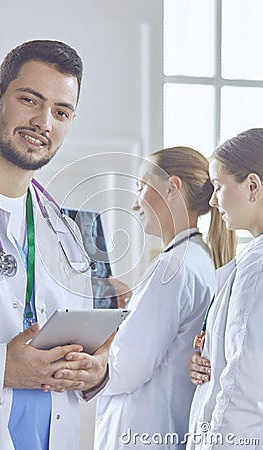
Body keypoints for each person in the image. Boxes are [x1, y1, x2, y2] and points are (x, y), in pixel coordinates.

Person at [0, 40, 111, 450]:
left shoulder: (63, 230)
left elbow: (84, 345)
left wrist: (96, 369)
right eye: (30, 99)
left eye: (61, 112)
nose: (43, 122)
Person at [94, 147, 236, 450]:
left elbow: (127, 369)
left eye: (141, 187)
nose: (135, 203)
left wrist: (91, 345)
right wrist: (133, 302)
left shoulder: (169, 269)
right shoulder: (197, 259)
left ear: (172, 187)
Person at [187, 128, 263, 450]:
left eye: (218, 186)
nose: (213, 200)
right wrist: (209, 355)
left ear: (252, 186)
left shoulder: (257, 270)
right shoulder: (250, 262)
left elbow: (241, 389)